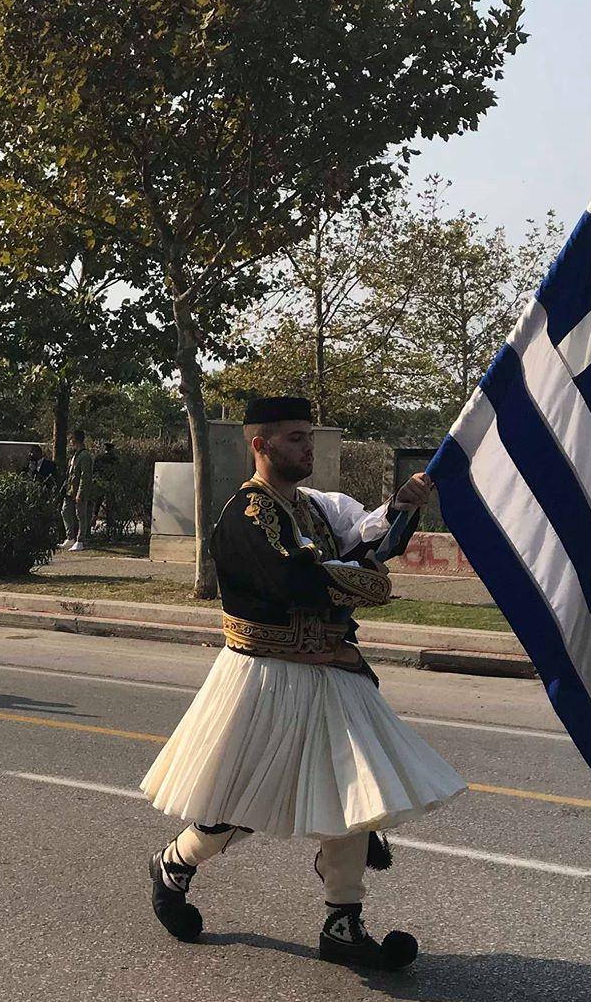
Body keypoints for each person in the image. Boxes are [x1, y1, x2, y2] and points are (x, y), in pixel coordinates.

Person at [139, 396, 464, 971]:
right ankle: (174, 863)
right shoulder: (245, 515)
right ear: (258, 444)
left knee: (354, 794)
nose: (306, 447)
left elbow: (366, 547)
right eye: (294, 438)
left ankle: (343, 923)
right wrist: (364, 581)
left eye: (309, 436)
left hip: (331, 672)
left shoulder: (315, 508)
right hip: (265, 677)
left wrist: (401, 507)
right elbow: (295, 580)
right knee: (238, 802)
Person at [59, 429, 95, 551]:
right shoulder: (75, 455)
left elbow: (85, 476)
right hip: (70, 490)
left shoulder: (84, 456)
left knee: (80, 515)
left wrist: (81, 492)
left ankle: (80, 540)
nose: (70, 441)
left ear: (76, 439)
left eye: (72, 438)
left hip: (79, 491)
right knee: (65, 511)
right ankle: (70, 537)